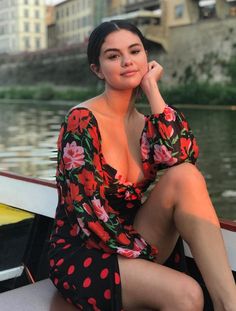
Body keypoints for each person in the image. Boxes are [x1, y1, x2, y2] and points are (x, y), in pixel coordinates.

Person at [48, 20, 236, 311]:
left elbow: (182, 156)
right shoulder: (82, 120)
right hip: (86, 250)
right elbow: (89, 215)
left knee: (184, 175)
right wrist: (145, 253)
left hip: (133, 239)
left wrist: (152, 90)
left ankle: (230, 304)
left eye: (134, 51)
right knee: (187, 294)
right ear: (97, 69)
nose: (127, 62)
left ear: (146, 57)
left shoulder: (147, 126)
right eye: (113, 56)